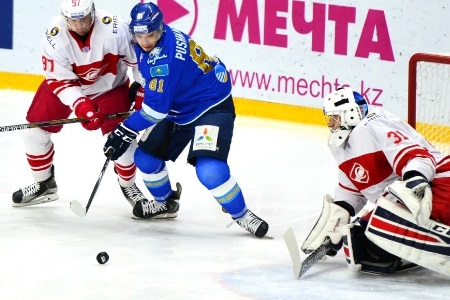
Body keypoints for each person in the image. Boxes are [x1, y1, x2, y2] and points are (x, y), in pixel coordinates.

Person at [102, 2, 269, 238]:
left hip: (210, 107)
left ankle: (242, 215)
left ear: (159, 29)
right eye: (140, 35)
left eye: (150, 35)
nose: (145, 41)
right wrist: (143, 86)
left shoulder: (165, 60)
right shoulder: (158, 36)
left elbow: (155, 112)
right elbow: (158, 85)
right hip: (179, 107)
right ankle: (166, 203)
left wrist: (123, 130)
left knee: (210, 171)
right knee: (145, 159)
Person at [301, 87, 450, 276]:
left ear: (351, 114)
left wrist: (415, 182)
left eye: (335, 118)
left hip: (441, 182)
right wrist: (333, 226)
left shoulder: (373, 124)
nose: (331, 125)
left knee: (381, 223)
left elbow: (417, 156)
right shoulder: (345, 149)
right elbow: (349, 194)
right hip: (413, 200)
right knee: (357, 241)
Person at [12, 0, 147, 209]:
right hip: (70, 86)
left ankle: (128, 185)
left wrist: (142, 88)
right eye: (73, 20)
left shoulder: (115, 28)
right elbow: (59, 80)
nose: (80, 24)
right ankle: (44, 184)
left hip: (110, 86)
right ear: (65, 18)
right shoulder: (54, 37)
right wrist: (82, 106)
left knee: (123, 138)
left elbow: (140, 61)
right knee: (33, 133)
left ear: (93, 11)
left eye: (84, 17)